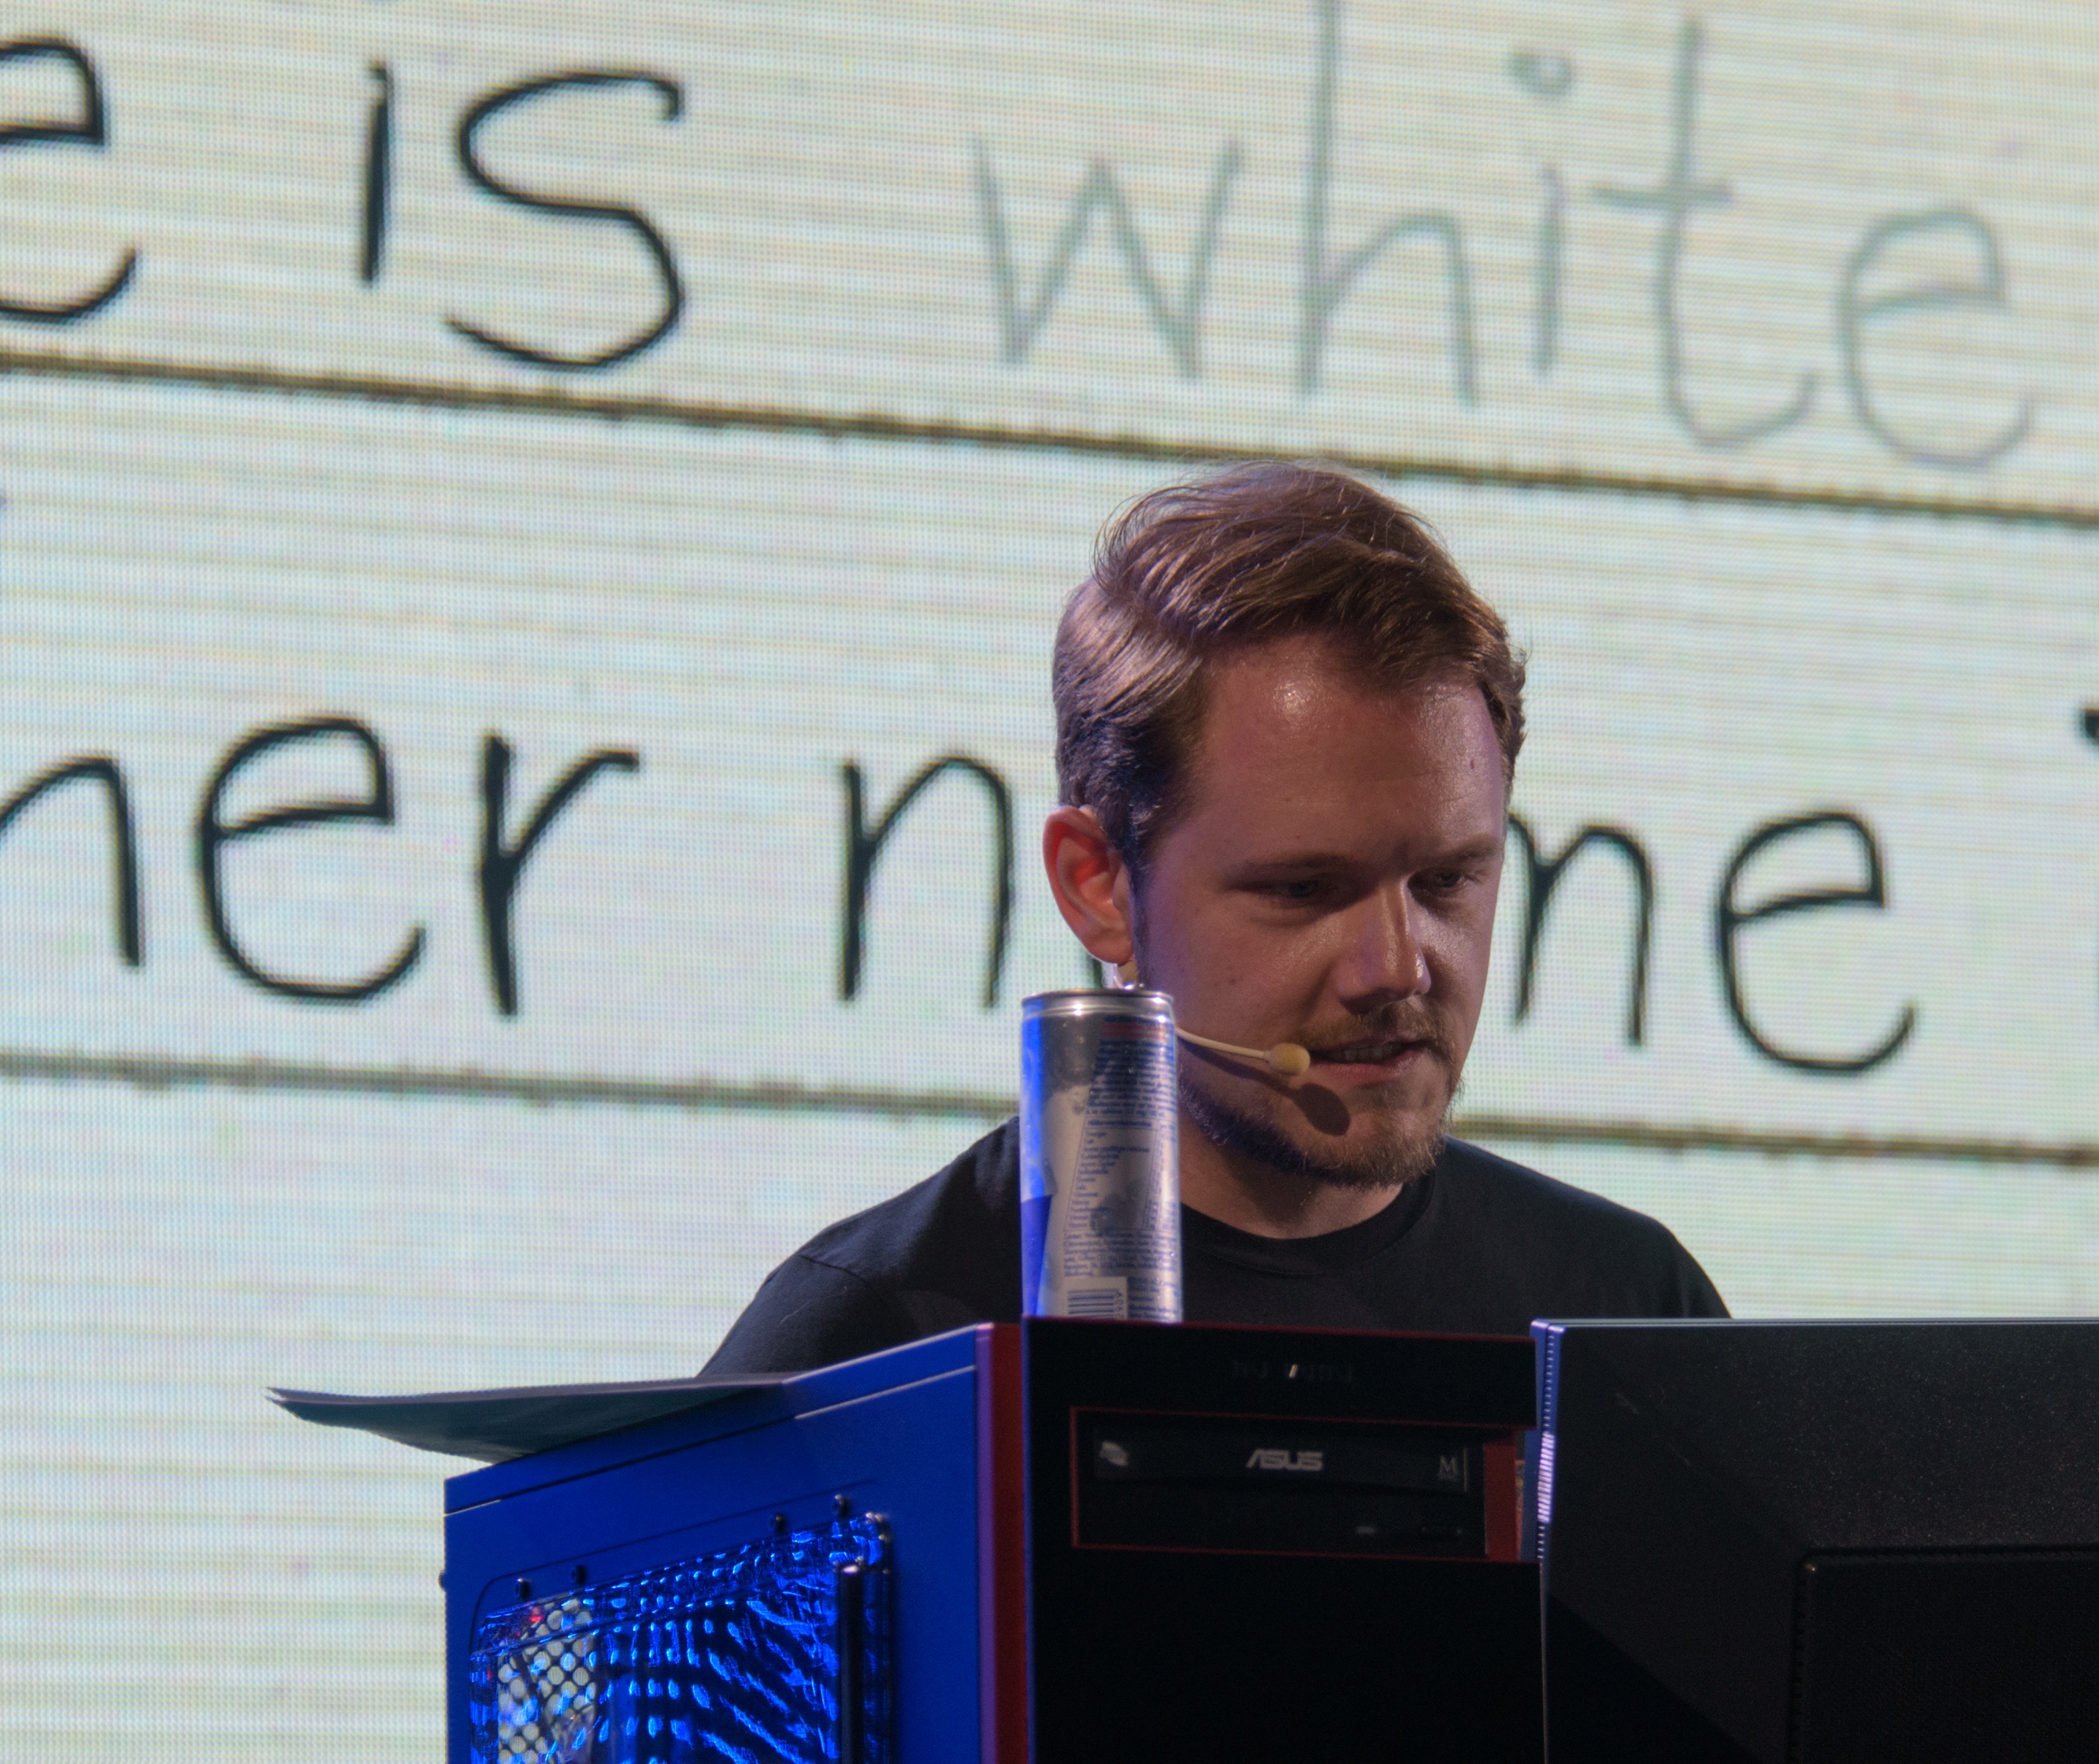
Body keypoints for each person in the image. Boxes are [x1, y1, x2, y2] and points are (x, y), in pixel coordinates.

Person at [704, 463, 1726, 1373]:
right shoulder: (876, 1340)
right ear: (1097, 885)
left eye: (1447, 881)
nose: (1396, 967)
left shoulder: (1630, 1314)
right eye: (1303, 889)